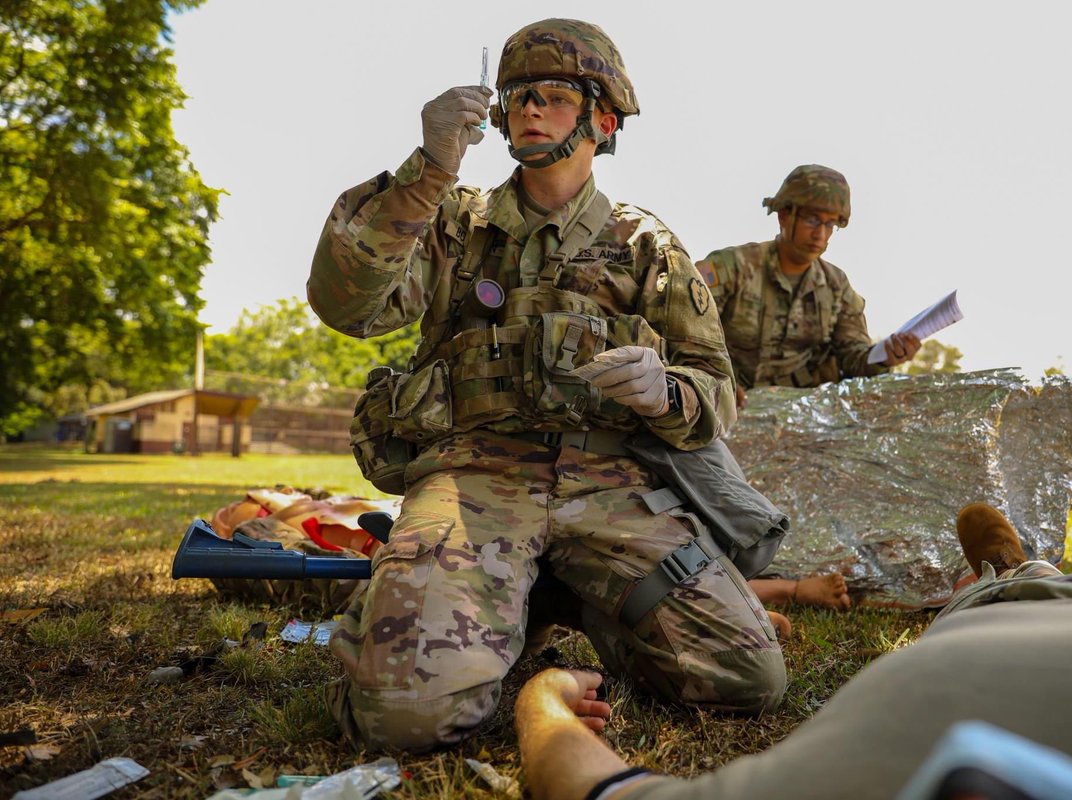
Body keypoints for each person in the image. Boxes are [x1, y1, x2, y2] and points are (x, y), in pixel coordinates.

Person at [307, 18, 785, 752]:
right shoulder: (453, 222)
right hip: (473, 479)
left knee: (745, 678)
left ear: (601, 117)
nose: (529, 109)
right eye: (518, 96)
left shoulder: (644, 243)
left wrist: (666, 391)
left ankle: (567, 601)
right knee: (406, 719)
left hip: (612, 488)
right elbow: (346, 303)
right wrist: (427, 166)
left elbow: (715, 388)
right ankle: (445, 610)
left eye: (554, 95)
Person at [515, 504, 1072, 800]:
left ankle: (1000, 582)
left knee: (998, 615)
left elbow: (592, 787)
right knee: (1048, 598)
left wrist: (541, 696)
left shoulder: (903, 752)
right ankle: (1009, 577)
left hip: (968, 673)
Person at [696, 165, 922, 409]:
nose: (820, 234)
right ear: (784, 216)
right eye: (812, 220)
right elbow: (687, 330)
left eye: (830, 225)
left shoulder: (837, 286)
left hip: (804, 417)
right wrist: (717, 378)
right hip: (726, 405)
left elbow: (854, 358)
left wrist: (885, 355)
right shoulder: (732, 267)